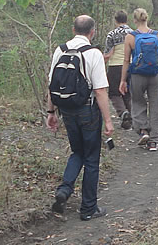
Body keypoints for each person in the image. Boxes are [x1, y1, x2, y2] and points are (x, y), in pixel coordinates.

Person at [47, 15, 113, 221]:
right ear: (92, 32)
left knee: (77, 152)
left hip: (67, 110)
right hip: (88, 110)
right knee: (92, 158)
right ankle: (88, 208)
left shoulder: (61, 50)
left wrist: (51, 113)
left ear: (73, 30)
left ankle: (64, 190)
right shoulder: (93, 53)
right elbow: (100, 91)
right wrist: (108, 121)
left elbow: (52, 85)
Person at [119, 8, 158, 152]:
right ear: (147, 19)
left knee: (137, 102)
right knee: (155, 106)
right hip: (156, 75)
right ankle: (154, 141)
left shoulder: (130, 37)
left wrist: (123, 80)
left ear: (134, 20)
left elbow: (126, 61)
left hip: (137, 75)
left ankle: (143, 131)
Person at [103, 10, 133, 130]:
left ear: (115, 20)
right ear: (127, 19)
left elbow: (108, 54)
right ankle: (133, 116)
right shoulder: (133, 33)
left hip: (115, 66)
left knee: (114, 93)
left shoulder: (112, 34)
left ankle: (122, 112)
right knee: (129, 93)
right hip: (131, 65)